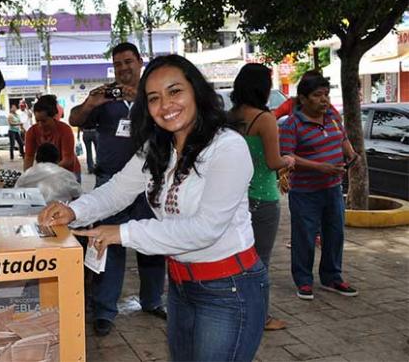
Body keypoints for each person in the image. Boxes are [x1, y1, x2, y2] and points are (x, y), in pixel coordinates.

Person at [40, 54, 268, 361]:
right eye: (154, 98)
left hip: (228, 288)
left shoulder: (227, 147)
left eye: (175, 92)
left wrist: (122, 233)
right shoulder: (157, 147)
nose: (166, 105)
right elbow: (119, 189)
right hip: (181, 286)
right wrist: (74, 210)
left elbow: (205, 229)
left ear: (196, 92)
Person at [68, 42, 166, 336]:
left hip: (150, 180)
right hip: (110, 181)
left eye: (128, 62)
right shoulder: (106, 97)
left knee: (152, 245)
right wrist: (89, 105)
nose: (123, 68)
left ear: (140, 61)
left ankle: (152, 300)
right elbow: (74, 119)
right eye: (118, 64)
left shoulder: (152, 95)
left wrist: (142, 99)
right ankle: (104, 311)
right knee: (106, 245)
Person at [228, 64, 296, 331]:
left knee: (236, 258)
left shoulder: (230, 117)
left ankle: (236, 310)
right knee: (260, 261)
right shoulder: (264, 119)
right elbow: (272, 161)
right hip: (263, 199)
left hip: (235, 198)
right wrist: (288, 160)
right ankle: (260, 317)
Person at [280, 74, 359, 301]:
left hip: (333, 188)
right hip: (305, 192)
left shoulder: (332, 116)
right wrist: (319, 167)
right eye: (317, 95)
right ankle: (304, 281)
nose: (323, 100)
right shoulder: (292, 124)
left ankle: (332, 277)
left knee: (335, 233)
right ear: (303, 99)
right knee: (304, 236)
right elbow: (287, 156)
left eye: (326, 94)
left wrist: (351, 154)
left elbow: (342, 138)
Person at [24, 95, 81, 181]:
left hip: (69, 173)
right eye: (37, 120)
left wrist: (45, 172)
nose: (40, 124)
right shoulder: (31, 132)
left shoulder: (65, 130)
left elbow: (68, 160)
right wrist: (26, 177)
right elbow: (29, 157)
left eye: (44, 121)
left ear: (53, 116)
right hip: (46, 173)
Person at [15, 142, 82, 203]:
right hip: (59, 213)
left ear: (37, 159)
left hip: (30, 213)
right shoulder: (66, 175)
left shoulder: (26, 175)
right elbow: (78, 194)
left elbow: (15, 194)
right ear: (57, 159)